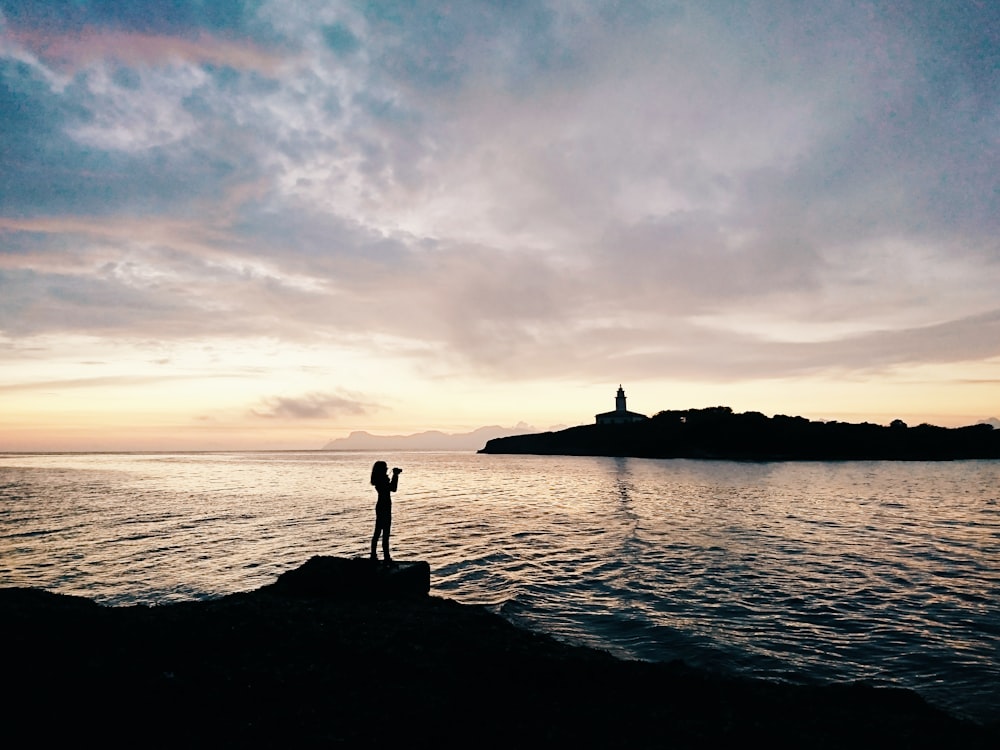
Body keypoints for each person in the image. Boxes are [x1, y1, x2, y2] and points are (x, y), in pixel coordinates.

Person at [370, 461, 401, 564]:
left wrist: (392, 477)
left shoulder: (380, 480)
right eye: (385, 468)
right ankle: (386, 557)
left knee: (378, 532)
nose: (387, 469)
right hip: (385, 508)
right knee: (384, 533)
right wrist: (395, 476)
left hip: (381, 507)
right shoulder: (382, 481)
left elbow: (391, 488)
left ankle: (374, 555)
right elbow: (393, 488)